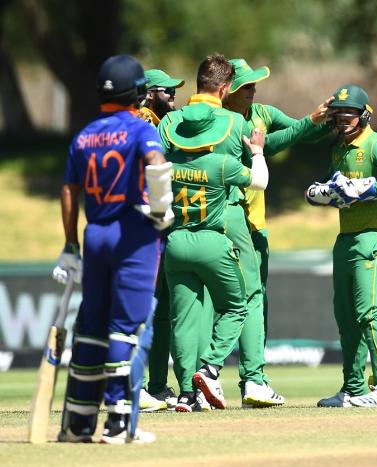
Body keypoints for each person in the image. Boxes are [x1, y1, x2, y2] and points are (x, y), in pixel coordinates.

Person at [53, 54, 174, 444]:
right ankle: (120, 423)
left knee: (91, 327)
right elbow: (156, 162)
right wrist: (161, 207)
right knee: (128, 328)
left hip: (95, 234)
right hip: (132, 233)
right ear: (138, 92)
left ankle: (77, 423)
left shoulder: (85, 135)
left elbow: (69, 190)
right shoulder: (141, 130)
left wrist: (71, 244)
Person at [156, 54, 283, 410]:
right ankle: (220, 372)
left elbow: (153, 178)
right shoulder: (229, 135)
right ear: (225, 88)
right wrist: (258, 150)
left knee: (183, 317)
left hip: (175, 235)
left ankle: (185, 392)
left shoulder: (169, 125)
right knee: (241, 302)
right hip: (218, 229)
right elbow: (259, 179)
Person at [222, 58, 331, 402]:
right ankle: (238, 378)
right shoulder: (221, 122)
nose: (254, 91)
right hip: (224, 224)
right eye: (247, 87)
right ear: (229, 90)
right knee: (230, 302)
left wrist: (328, 120)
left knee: (256, 301)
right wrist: (307, 124)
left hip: (255, 226)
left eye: (255, 85)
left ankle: (251, 378)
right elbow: (273, 144)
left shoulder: (263, 113)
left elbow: (300, 132)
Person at [308, 84, 377, 408]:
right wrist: (322, 193)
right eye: (339, 112)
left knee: (369, 313)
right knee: (346, 316)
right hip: (346, 237)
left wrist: (367, 189)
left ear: (364, 115)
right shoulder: (339, 147)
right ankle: (353, 388)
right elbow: (336, 186)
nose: (343, 118)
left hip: (374, 236)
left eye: (350, 112)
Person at [137, 68, 184, 413]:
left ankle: (155, 385)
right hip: (146, 227)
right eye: (168, 91)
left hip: (161, 229)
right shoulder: (146, 122)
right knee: (149, 309)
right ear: (151, 93)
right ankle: (136, 386)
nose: (174, 96)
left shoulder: (160, 122)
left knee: (163, 311)